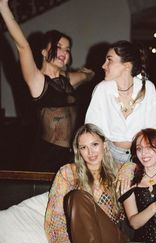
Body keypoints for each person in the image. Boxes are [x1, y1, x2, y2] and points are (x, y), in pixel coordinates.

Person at [9, 123, 128, 243]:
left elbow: (150, 169)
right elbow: (54, 218)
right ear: (78, 151)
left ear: (105, 145)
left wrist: (130, 168)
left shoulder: (120, 172)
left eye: (95, 144)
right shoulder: (67, 173)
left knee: (78, 197)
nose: (90, 152)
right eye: (84, 147)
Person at [0, 0, 94, 172]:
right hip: (47, 157)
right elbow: (22, 46)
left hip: (70, 155)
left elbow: (86, 76)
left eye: (67, 49)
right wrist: (3, 7)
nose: (64, 53)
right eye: (59, 47)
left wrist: (89, 73)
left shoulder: (67, 80)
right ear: (43, 52)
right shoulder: (37, 81)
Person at [85, 40, 156, 165]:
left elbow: (153, 131)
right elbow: (92, 131)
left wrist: (133, 164)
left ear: (127, 66)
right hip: (108, 156)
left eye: (109, 60)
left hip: (141, 156)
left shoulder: (148, 88)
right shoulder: (102, 89)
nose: (103, 65)